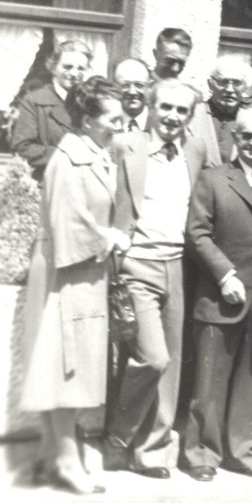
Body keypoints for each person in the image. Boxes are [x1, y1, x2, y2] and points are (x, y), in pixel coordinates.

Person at [20, 76, 129, 494]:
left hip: (82, 272)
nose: (119, 126)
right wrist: (110, 239)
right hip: (67, 273)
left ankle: (57, 455)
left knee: (66, 364)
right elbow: (70, 222)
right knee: (64, 367)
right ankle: (67, 462)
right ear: (85, 120)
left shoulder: (94, 151)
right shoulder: (69, 159)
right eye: (112, 119)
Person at [181, 109, 252, 482]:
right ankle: (202, 455)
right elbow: (197, 233)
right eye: (248, 137)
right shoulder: (213, 179)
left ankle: (245, 453)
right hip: (220, 293)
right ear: (235, 138)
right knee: (210, 379)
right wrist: (224, 273)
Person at [105, 79, 207, 479]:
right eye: (166, 107)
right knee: (153, 358)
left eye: (182, 111)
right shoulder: (124, 147)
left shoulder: (195, 151)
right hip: (137, 266)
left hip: (178, 266)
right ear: (150, 106)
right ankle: (117, 437)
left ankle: (152, 451)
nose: (172, 117)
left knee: (173, 365)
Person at [11, 39, 92, 181]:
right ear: (53, 67)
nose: (74, 73)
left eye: (80, 68)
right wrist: (67, 155)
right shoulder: (35, 100)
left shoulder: (91, 102)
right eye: (67, 67)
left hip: (85, 182)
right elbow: (23, 148)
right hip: (48, 181)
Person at [188, 55, 252, 166]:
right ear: (210, 84)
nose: (229, 89)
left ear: (245, 86)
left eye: (237, 83)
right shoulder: (193, 115)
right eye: (223, 82)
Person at [112, 58, 153, 133]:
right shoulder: (108, 124)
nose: (132, 92)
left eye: (139, 85)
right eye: (125, 85)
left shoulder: (157, 124)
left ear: (149, 88)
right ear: (114, 87)